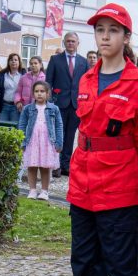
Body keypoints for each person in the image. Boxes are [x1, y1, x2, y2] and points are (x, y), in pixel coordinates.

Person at [53, 3, 138, 276]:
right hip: (83, 178)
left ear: (126, 37)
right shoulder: (86, 77)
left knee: (121, 263)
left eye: (113, 31)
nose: (105, 37)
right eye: (100, 30)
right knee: (84, 257)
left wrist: (128, 173)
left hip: (118, 181)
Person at [46, 31, 90, 177]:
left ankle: (65, 165)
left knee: (70, 136)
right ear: (64, 42)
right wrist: (50, 101)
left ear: (78, 44)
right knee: (58, 134)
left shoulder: (84, 62)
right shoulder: (55, 59)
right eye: (68, 41)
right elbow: (48, 82)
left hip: (76, 105)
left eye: (73, 41)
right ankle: (55, 165)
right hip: (59, 104)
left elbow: (88, 84)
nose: (71, 43)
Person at [18, 80, 63, 200]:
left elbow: (59, 126)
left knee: (45, 167)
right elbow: (22, 125)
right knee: (32, 166)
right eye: (36, 91)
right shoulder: (27, 109)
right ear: (33, 93)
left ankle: (44, 191)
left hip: (47, 142)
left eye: (42, 91)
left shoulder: (54, 109)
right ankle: (32, 190)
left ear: (48, 93)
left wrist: (59, 142)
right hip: (32, 141)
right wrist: (22, 140)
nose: (39, 93)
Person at [0, 52, 23, 123]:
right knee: (0, 126)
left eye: (15, 60)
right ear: (8, 62)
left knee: (14, 127)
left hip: (16, 107)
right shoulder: (2, 75)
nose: (13, 61)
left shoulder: (23, 76)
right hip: (4, 106)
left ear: (19, 62)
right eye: (11, 60)